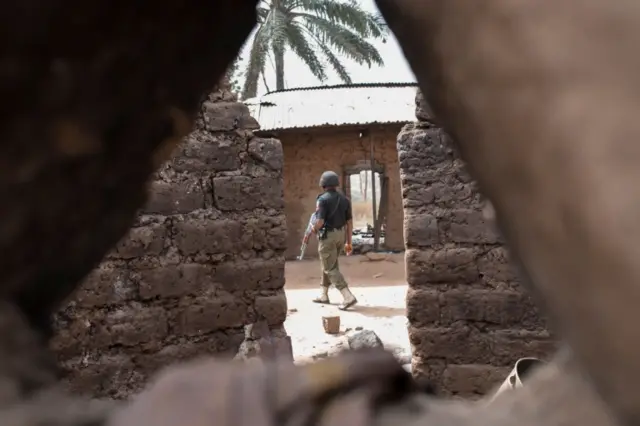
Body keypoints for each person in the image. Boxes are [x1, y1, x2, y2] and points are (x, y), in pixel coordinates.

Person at [303, 171, 357, 310]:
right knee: (329, 263)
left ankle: (347, 296)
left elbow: (320, 221)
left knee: (329, 267)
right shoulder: (345, 200)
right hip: (340, 236)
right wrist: (348, 242)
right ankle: (324, 295)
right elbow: (349, 223)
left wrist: (313, 229)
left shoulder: (322, 199)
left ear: (323, 184)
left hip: (328, 237)